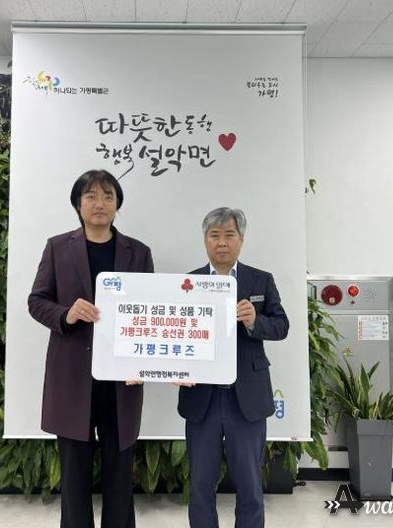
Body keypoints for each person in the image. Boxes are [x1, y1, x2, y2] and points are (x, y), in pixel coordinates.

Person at [28, 169, 154, 528]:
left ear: (117, 205)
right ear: (78, 204)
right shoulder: (57, 247)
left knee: (120, 473)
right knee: (73, 475)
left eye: (108, 196)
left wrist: (142, 364)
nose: (100, 203)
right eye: (91, 196)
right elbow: (37, 301)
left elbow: (150, 312)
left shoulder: (138, 252)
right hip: (72, 378)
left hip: (121, 380)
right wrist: (66, 314)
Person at [177, 207, 289, 528]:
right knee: (201, 483)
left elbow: (281, 326)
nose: (222, 242)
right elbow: (176, 332)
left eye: (229, 235)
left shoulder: (260, 279)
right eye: (214, 235)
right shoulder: (188, 283)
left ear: (241, 239)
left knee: (250, 483)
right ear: (205, 240)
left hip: (247, 398)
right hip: (203, 398)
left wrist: (255, 321)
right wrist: (176, 368)